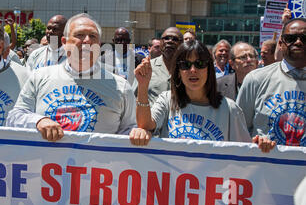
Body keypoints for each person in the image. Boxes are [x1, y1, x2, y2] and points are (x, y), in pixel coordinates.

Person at [6, 13, 137, 142]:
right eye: (79, 35)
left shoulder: (121, 87)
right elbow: (14, 118)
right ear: (64, 42)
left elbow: (129, 128)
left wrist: (138, 132)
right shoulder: (39, 77)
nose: (87, 41)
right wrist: (38, 121)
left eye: (93, 36)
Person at [130, 40, 275, 153]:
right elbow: (146, 125)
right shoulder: (167, 100)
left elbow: (245, 154)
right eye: (186, 65)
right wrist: (143, 85)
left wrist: (260, 146)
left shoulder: (230, 109)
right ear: (178, 72)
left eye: (199, 64)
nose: (193, 70)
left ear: (209, 69)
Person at [236, 18, 305, 147]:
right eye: (291, 38)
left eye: (304, 38)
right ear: (280, 43)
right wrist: (254, 143)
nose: (298, 42)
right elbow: (238, 131)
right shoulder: (255, 79)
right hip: (264, 165)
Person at [139, 27, 183, 106]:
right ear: (161, 43)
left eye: (175, 39)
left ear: (182, 44)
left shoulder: (189, 69)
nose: (170, 41)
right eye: (166, 38)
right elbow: (133, 96)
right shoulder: (146, 67)